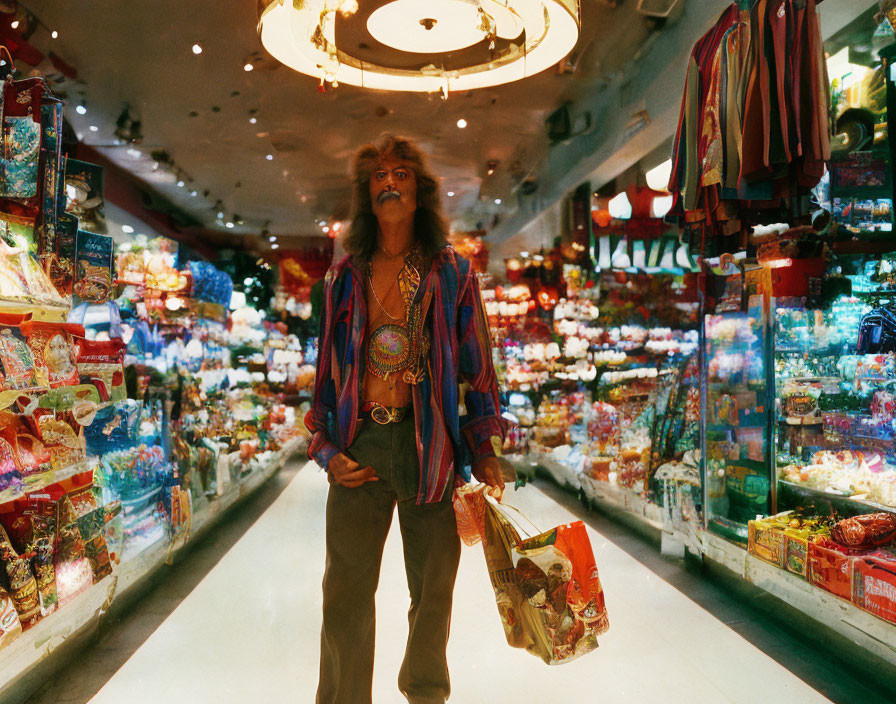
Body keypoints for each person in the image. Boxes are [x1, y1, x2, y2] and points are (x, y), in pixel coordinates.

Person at [306, 134, 507, 704]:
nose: (388, 182)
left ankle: (424, 695)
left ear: (420, 191)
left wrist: (485, 446)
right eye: (377, 176)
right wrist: (326, 451)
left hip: (433, 450)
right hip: (360, 445)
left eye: (399, 173)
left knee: (434, 590)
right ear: (366, 195)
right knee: (343, 592)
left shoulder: (451, 275)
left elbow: (478, 366)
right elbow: (325, 374)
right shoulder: (344, 278)